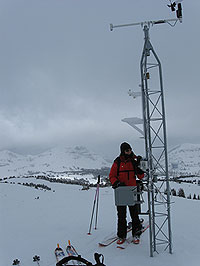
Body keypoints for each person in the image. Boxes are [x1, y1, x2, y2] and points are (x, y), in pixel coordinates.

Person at [109, 142, 145, 244]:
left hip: (132, 191)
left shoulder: (134, 161)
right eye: (126, 150)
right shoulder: (117, 162)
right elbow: (111, 175)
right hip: (121, 191)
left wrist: (139, 167)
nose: (129, 152)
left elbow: (141, 176)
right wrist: (116, 183)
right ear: (123, 151)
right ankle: (121, 235)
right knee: (121, 215)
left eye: (129, 150)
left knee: (134, 214)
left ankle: (136, 234)